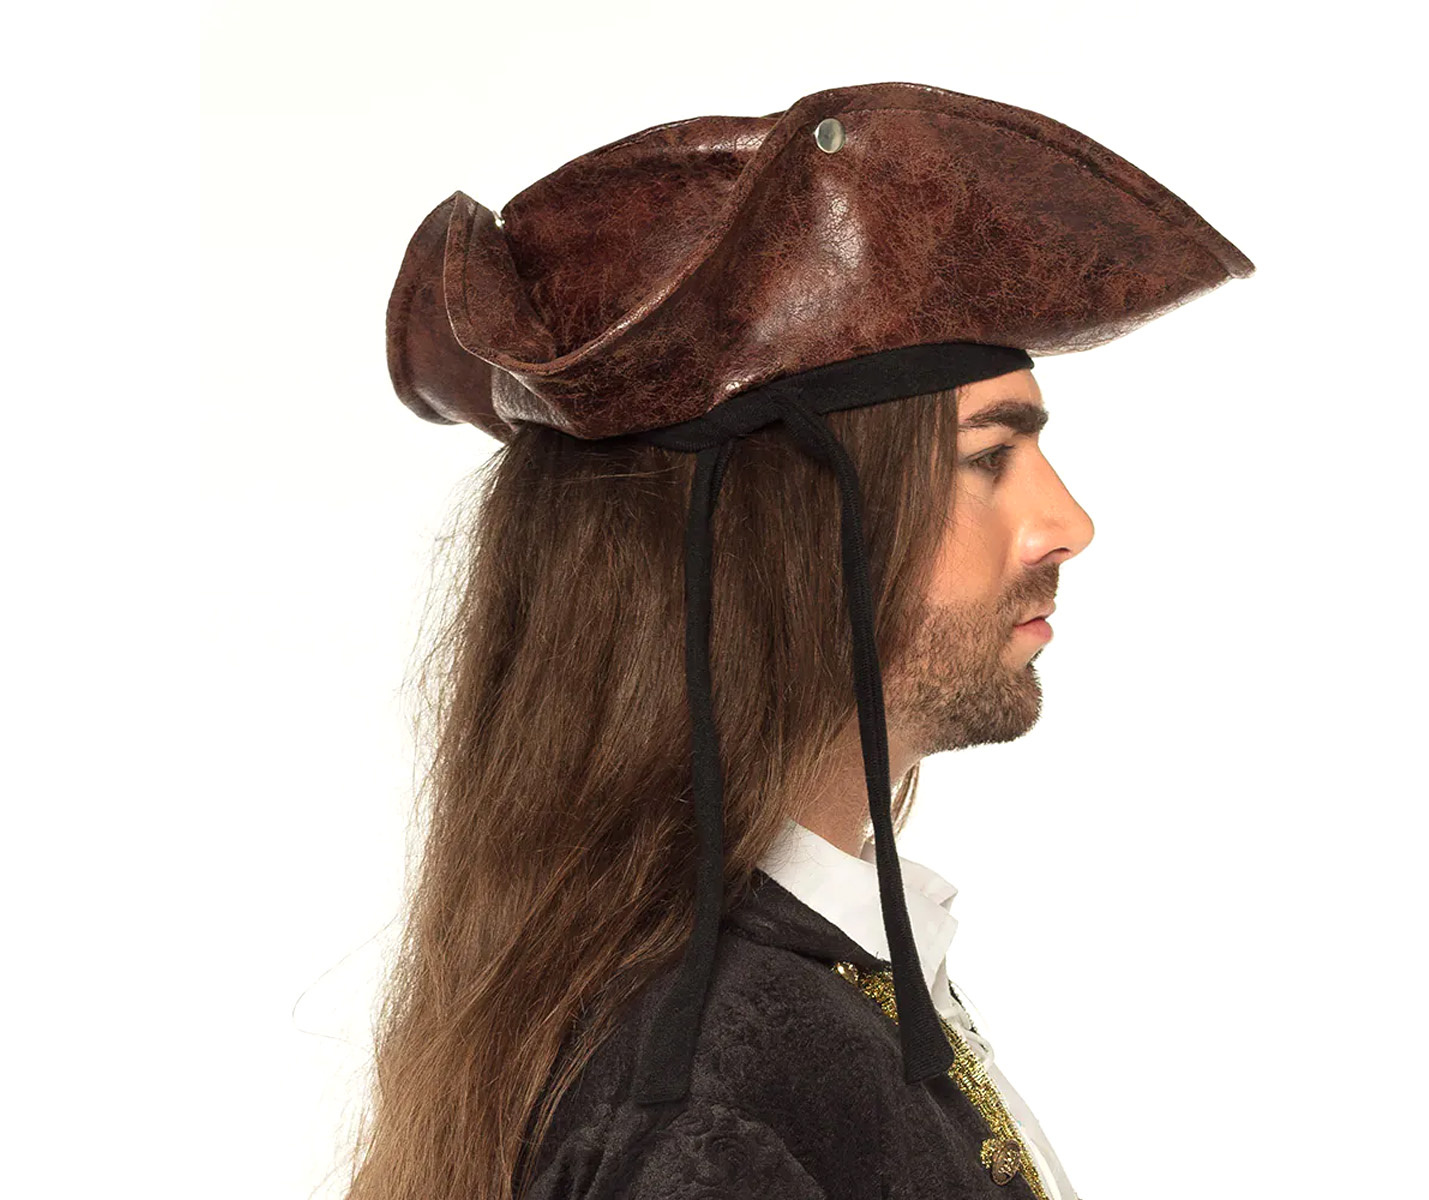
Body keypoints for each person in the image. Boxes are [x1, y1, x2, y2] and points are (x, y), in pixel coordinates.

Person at [350, 80, 1252, 1200]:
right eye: (987, 457)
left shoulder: (785, 1006)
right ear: (777, 537)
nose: (1067, 525)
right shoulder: (714, 1097)